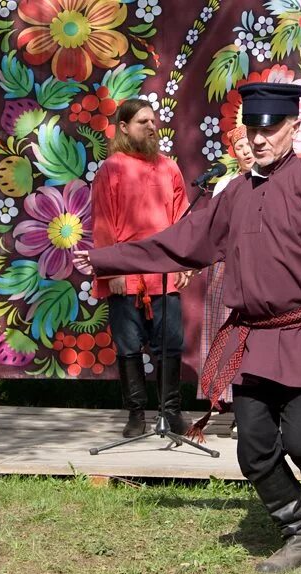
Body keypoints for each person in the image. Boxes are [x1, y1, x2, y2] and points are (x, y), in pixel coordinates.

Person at [74, 82, 301, 574]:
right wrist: (104, 259)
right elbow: (177, 242)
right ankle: (299, 531)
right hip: (252, 339)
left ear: (294, 128)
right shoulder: (232, 194)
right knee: (253, 449)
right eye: (252, 129)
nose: (259, 138)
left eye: (270, 128)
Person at [90, 98, 192, 438]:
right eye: (142, 122)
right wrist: (113, 270)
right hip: (126, 274)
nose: (151, 127)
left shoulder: (169, 168)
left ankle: (171, 413)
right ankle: (136, 414)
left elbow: (182, 220)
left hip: (162, 273)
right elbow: (103, 222)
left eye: (153, 121)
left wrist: (183, 262)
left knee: (170, 345)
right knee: (129, 345)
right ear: (123, 128)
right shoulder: (112, 168)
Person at [196, 125, 255, 437]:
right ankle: (233, 409)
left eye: (249, 145)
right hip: (228, 268)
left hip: (258, 268)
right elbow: (213, 230)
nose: (246, 151)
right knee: (229, 338)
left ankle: (256, 408)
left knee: (254, 340)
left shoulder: (273, 181)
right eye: (240, 147)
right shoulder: (226, 186)